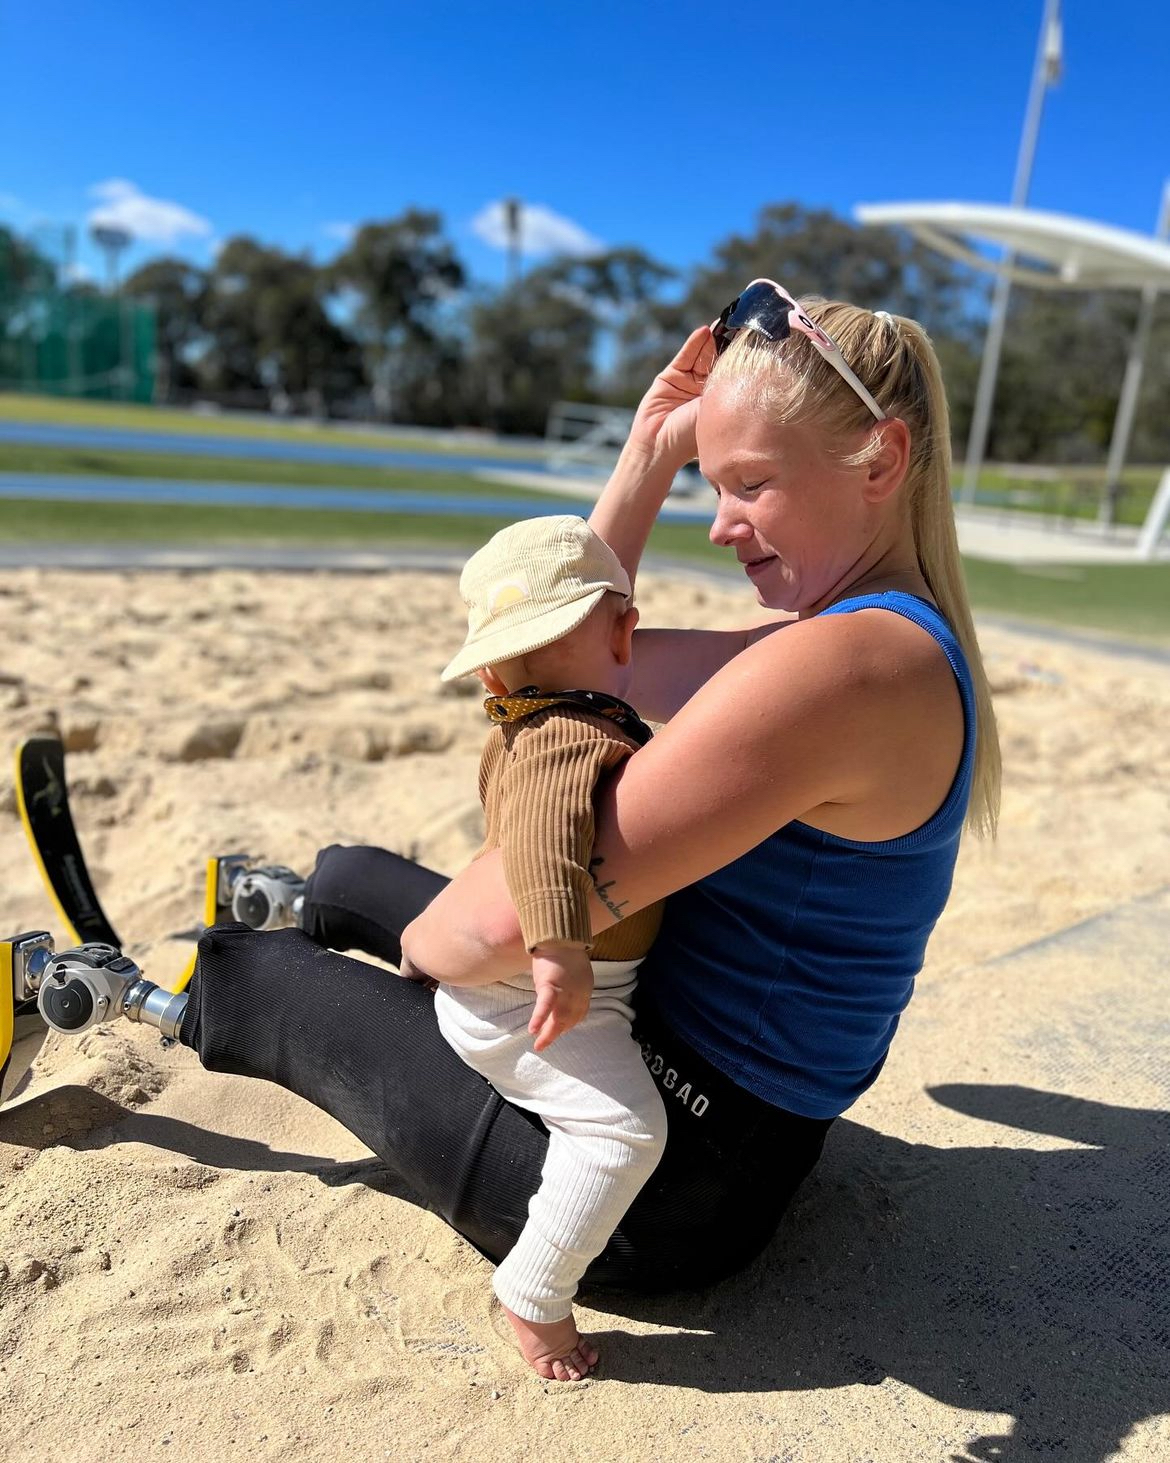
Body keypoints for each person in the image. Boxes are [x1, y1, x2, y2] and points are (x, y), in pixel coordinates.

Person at [177, 279, 1001, 1383]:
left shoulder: (843, 670)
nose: (720, 521)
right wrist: (647, 452)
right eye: (711, 484)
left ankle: (101, 985)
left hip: (675, 1178)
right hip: (725, 1106)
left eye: (750, 482)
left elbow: (491, 924)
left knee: (287, 983)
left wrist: (426, 959)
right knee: (381, 878)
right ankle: (305, 891)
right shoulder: (870, 642)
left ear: (881, 458)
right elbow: (561, 665)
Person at [430, 513, 667, 1381]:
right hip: (538, 997)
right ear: (623, 630)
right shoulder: (569, 729)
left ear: (491, 666)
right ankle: (533, 1293)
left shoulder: (528, 722)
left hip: (535, 988)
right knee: (623, 1133)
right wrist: (560, 948)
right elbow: (542, 837)